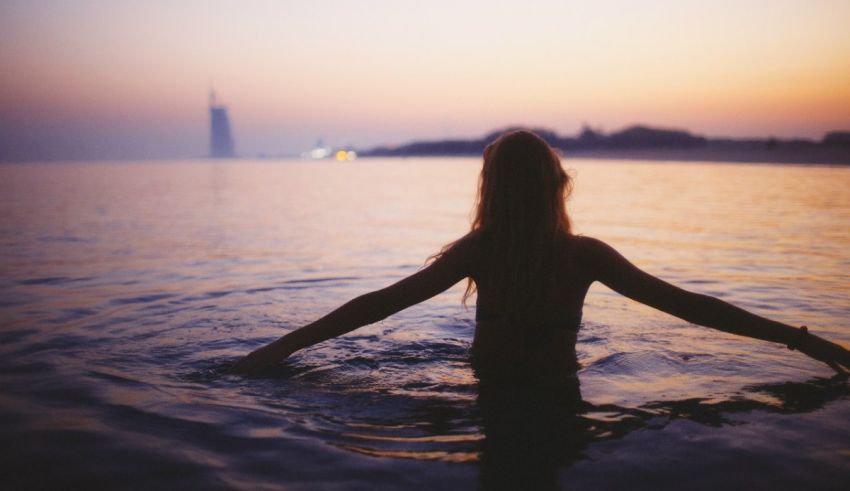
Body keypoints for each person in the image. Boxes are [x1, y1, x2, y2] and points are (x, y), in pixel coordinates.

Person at [231, 130, 850, 379]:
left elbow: (379, 305)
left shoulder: (487, 251)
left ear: (490, 189)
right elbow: (693, 308)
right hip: (551, 397)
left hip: (489, 396)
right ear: (561, 186)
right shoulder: (579, 256)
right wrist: (804, 340)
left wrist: (280, 348)